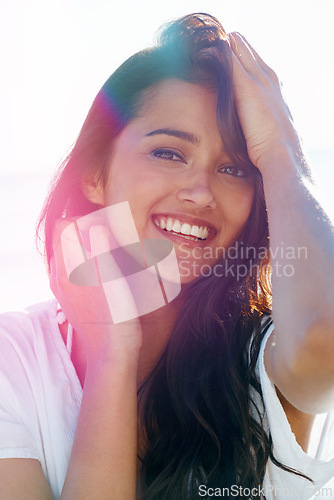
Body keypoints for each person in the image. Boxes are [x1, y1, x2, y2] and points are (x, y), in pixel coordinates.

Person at [0, 12, 333, 500]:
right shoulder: (16, 359)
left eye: (235, 169)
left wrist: (280, 149)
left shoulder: (266, 359)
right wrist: (113, 349)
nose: (200, 193)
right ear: (94, 173)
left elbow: (327, 333)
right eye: (168, 153)